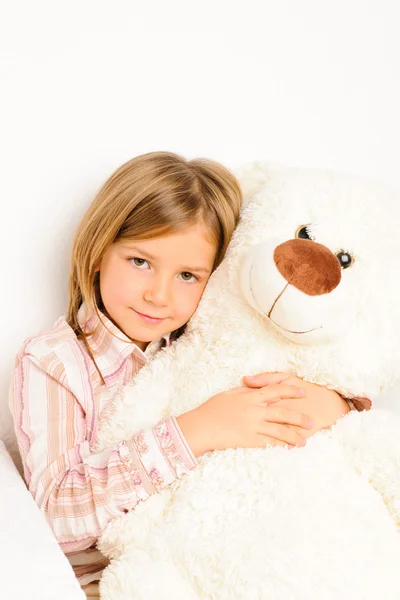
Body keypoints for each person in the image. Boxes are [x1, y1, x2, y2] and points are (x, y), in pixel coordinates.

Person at [9, 151, 350, 587]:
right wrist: (194, 431)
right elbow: (56, 517)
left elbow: (314, 402)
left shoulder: (204, 345)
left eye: (188, 275)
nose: (159, 295)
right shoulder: (54, 363)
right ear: (98, 252)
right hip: (108, 582)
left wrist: (332, 404)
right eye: (140, 262)